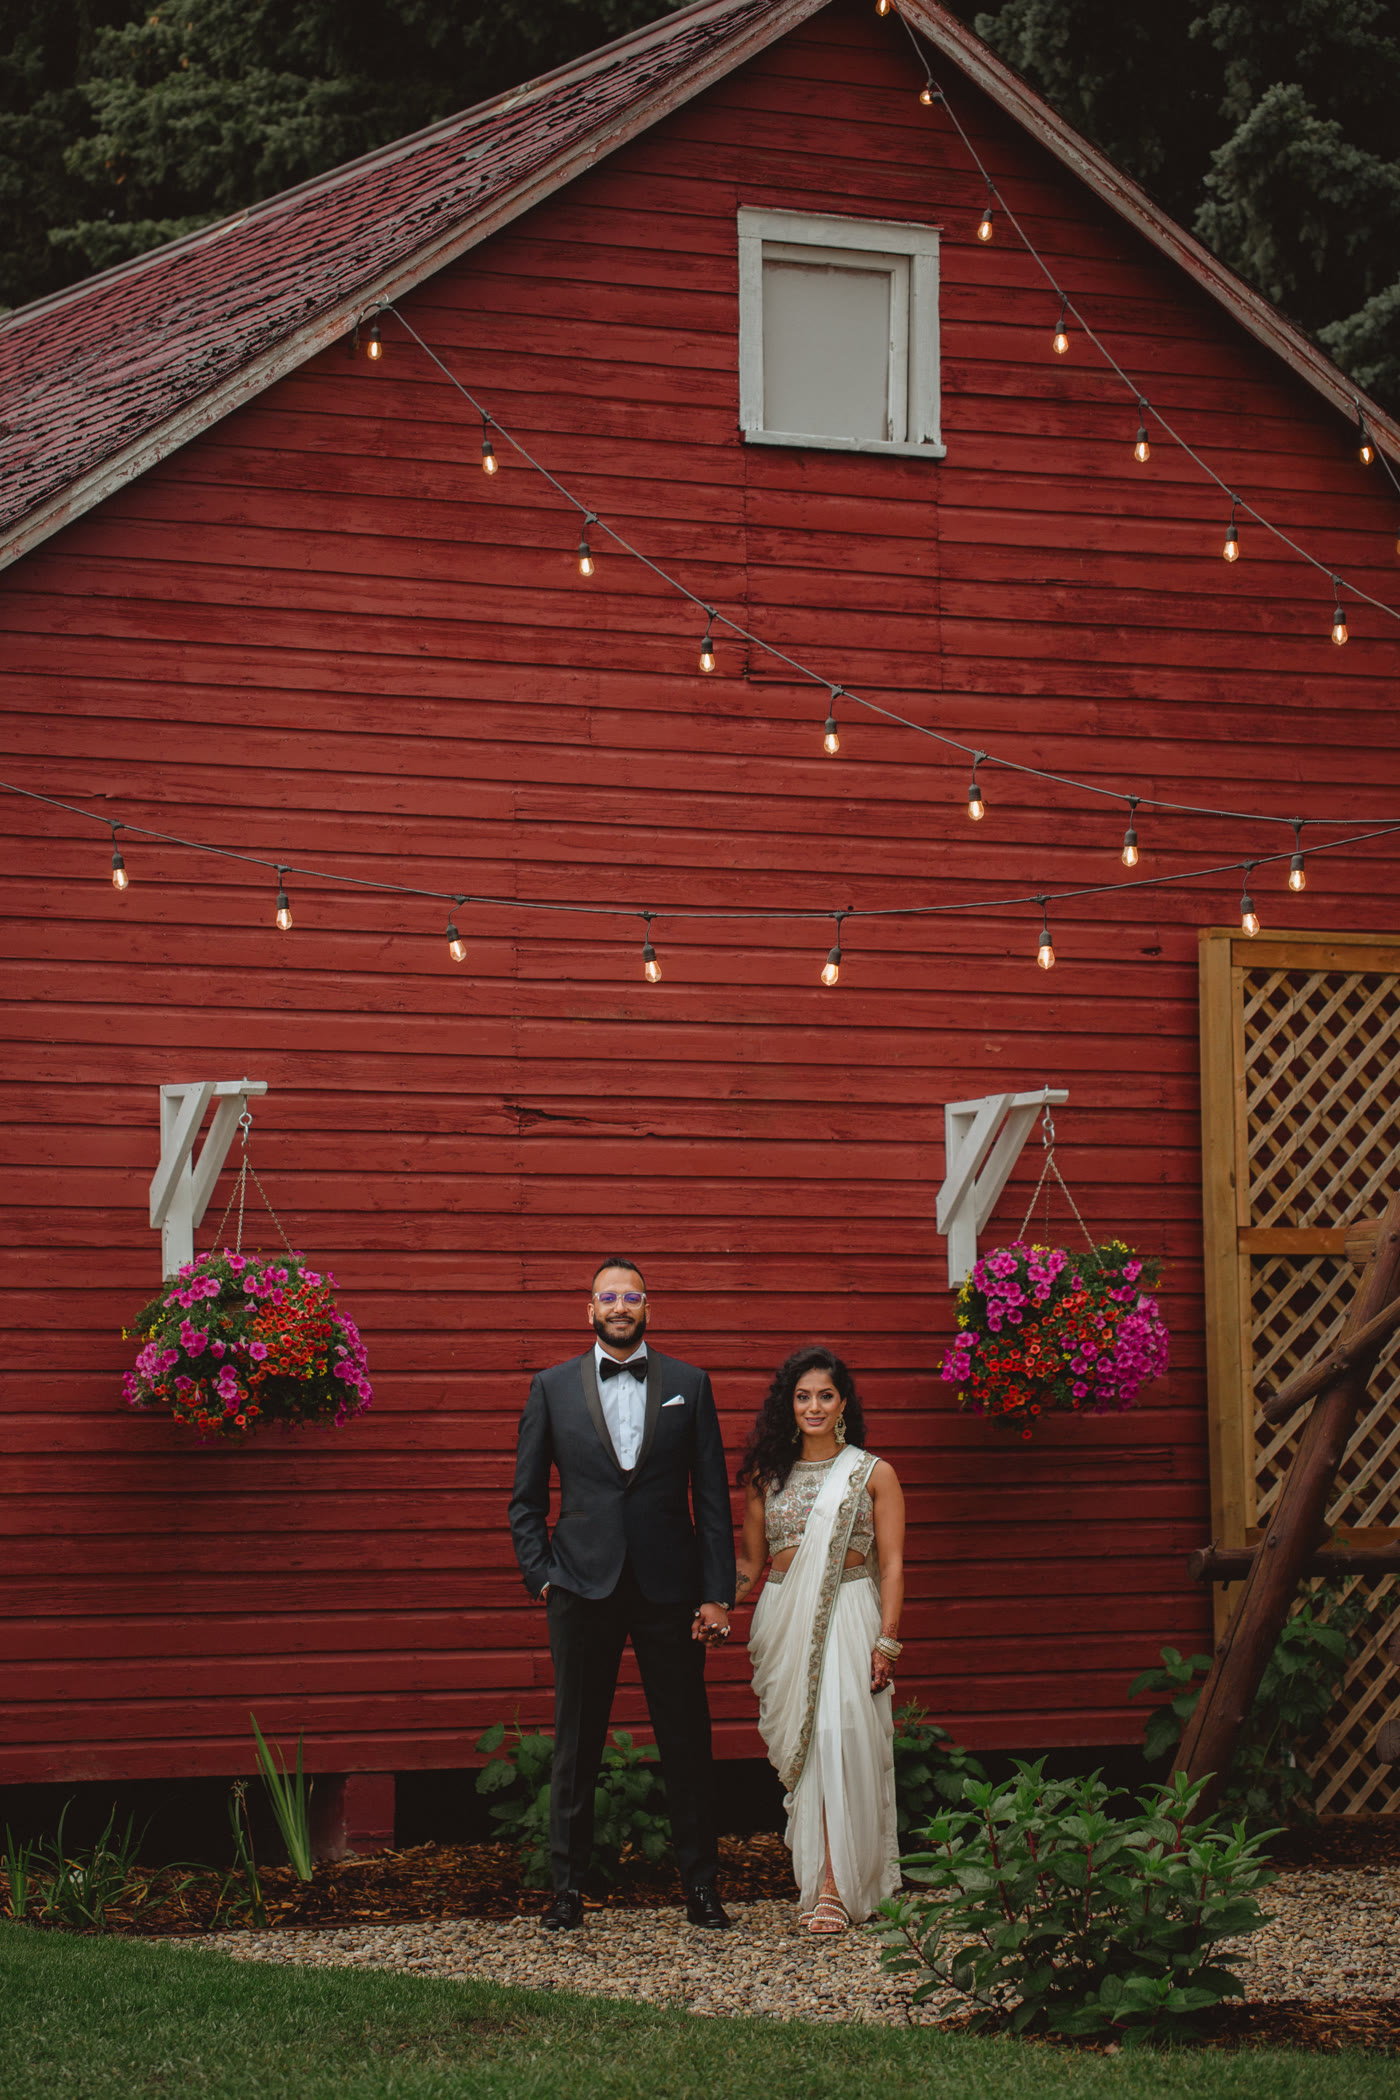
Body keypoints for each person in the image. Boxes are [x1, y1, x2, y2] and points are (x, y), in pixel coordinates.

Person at [508, 1256, 737, 1931]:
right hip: (581, 1585)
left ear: (647, 1307)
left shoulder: (691, 1386)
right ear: (590, 1310)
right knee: (576, 1740)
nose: (618, 1306)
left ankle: (701, 1888)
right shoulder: (550, 1388)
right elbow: (524, 1500)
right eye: (606, 1297)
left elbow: (713, 1500)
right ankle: (567, 1891)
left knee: (687, 1742)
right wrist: (540, 1573)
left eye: (630, 1296)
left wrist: (717, 1592)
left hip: (671, 1588)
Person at [734, 1344, 905, 1932]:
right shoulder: (766, 1477)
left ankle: (836, 1882)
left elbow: (892, 1566)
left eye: (824, 1395)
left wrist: (888, 1640)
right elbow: (751, 1566)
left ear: (843, 1404)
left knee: (840, 1738)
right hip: (784, 1616)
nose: (813, 1405)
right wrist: (711, 1600)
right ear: (789, 1404)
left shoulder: (872, 1473)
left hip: (849, 1610)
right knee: (807, 1754)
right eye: (802, 1396)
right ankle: (820, 1874)